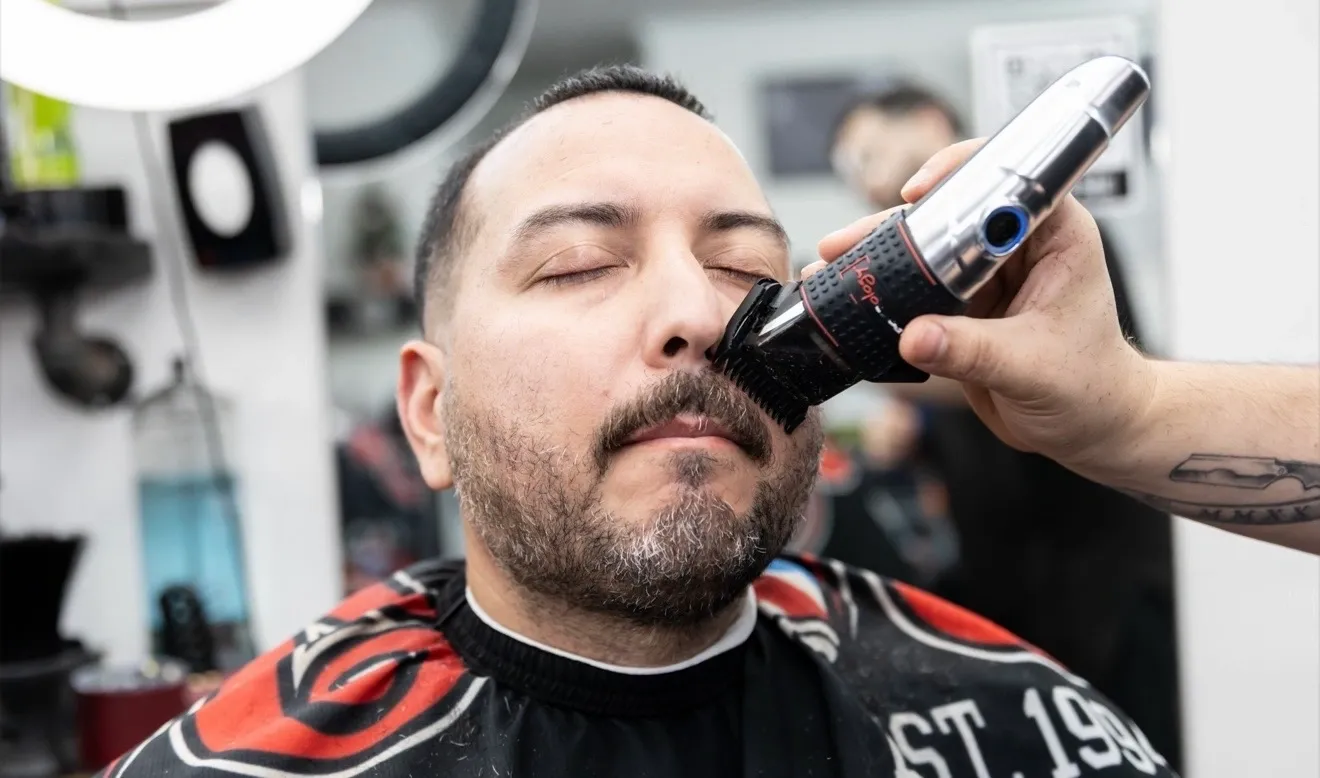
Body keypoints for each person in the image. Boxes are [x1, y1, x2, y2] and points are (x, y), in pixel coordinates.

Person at [94, 65, 1201, 778]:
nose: (696, 313)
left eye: (743, 267)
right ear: (431, 414)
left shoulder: (1020, 730)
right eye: (580, 264)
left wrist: (1138, 403)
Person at [830, 81, 1182, 763]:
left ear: (931, 121)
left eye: (873, 152)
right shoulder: (916, 275)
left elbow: (1042, 375)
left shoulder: (1045, 232)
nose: (868, 178)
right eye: (853, 167)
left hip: (1106, 578)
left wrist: (839, 352)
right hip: (1007, 582)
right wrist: (915, 434)